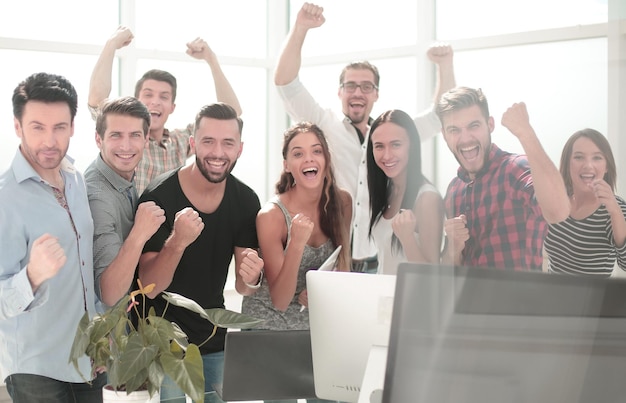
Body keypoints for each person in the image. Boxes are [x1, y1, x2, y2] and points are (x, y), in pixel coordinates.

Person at [274, 2, 456, 273]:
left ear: (376, 94)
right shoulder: (324, 124)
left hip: (377, 263)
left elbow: (439, 115)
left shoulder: (391, 134)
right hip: (334, 261)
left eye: (366, 86)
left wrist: (444, 65)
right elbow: (286, 83)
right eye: (350, 86)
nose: (358, 92)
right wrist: (301, 28)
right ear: (340, 93)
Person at [136, 102, 264, 399]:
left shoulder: (246, 200)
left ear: (240, 149)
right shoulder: (159, 196)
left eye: (227, 143)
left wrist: (253, 276)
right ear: (193, 143)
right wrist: (178, 241)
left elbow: (244, 286)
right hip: (164, 344)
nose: (218, 152)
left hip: (214, 339)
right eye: (208, 141)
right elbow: (150, 288)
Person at [0, 72, 105, 402]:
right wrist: (31, 276)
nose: (50, 140)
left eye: (60, 127)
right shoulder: (5, 198)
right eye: (37, 127)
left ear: (73, 127)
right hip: (36, 369)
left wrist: (102, 334)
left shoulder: (76, 180)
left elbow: (85, 273)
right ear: (18, 127)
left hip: (87, 359)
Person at [88, 26, 243, 194]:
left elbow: (231, 113)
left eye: (163, 96)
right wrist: (111, 45)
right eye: (148, 95)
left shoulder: (179, 142)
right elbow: (97, 100)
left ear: (172, 107)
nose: (155, 102)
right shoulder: (128, 142)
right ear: (137, 102)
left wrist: (211, 60)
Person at [437, 87, 569, 270]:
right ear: (444, 135)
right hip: (470, 298)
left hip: (518, 298)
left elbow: (559, 212)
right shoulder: (454, 189)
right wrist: (453, 249)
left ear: (490, 124)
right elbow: (451, 274)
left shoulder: (516, 169)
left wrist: (526, 133)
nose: (465, 138)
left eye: (473, 126)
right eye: (454, 130)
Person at [242, 122, 352, 332]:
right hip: (267, 329)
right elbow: (280, 301)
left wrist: (320, 290)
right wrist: (296, 243)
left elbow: (343, 270)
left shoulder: (343, 203)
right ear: (287, 165)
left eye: (316, 151)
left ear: (326, 159)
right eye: (298, 154)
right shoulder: (272, 216)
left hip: (314, 328)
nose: (309, 158)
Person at [85, 96, 165, 308]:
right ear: (98, 139)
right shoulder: (98, 197)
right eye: (116, 135)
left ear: (146, 139)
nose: (126, 146)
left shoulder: (124, 176)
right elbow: (109, 294)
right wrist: (140, 233)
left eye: (135, 135)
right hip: (105, 335)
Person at [367, 110, 444, 275]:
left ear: (412, 145)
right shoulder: (387, 191)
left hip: (408, 300)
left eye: (396, 144)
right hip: (383, 298)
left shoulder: (426, 198)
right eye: (379, 146)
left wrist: (407, 238)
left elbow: (431, 276)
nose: (387, 155)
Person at [543, 129, 626, 277]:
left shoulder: (615, 208)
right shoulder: (558, 199)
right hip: (551, 296)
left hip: (593, 300)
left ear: (607, 166)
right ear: (568, 164)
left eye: (597, 158)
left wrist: (615, 211)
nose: (588, 165)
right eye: (579, 157)